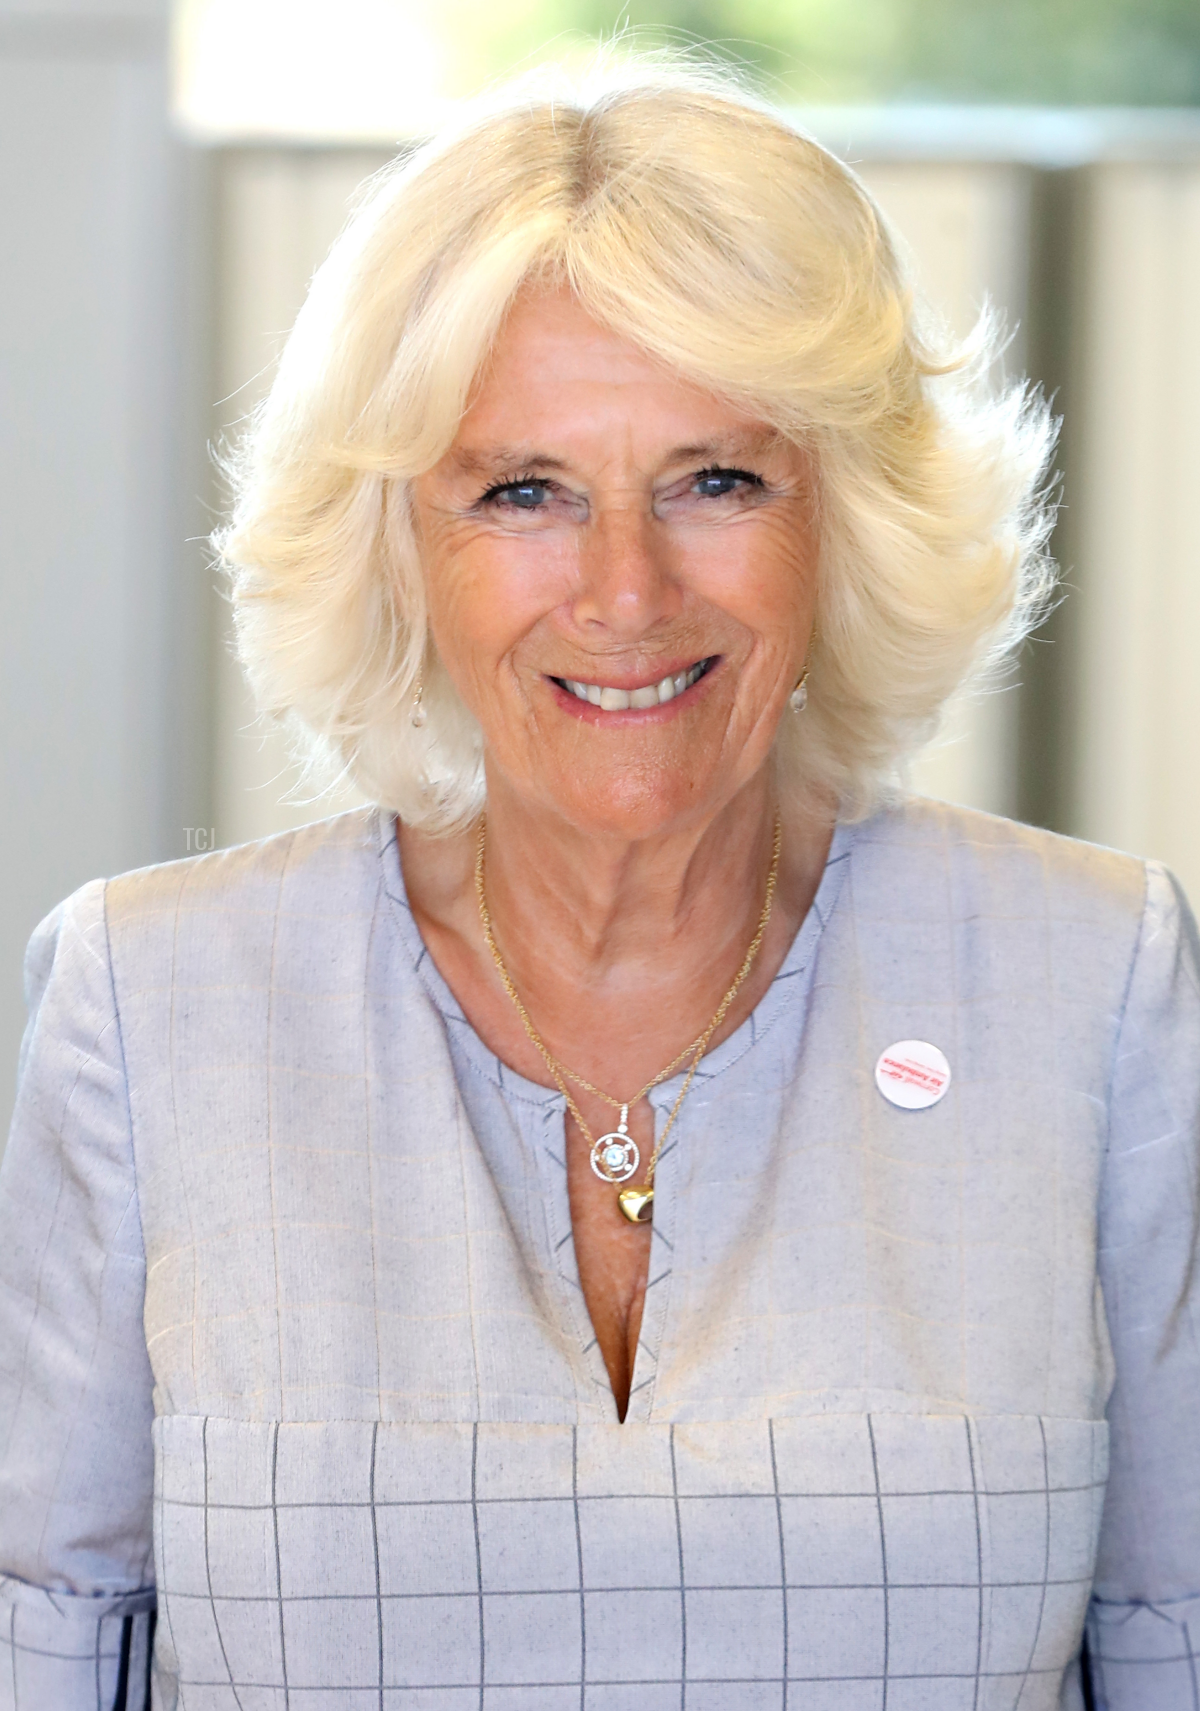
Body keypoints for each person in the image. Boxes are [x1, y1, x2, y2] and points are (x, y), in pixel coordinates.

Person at [1, 61, 1197, 1711]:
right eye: (525, 490)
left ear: (841, 515)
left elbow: (1171, 1632)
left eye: (718, 478)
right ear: (401, 543)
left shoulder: (1100, 984)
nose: (626, 591)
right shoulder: (144, 1006)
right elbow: (52, 1645)